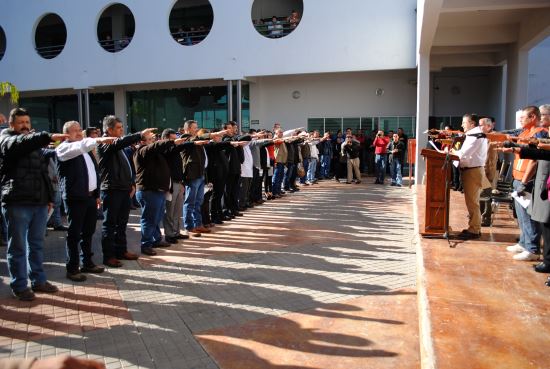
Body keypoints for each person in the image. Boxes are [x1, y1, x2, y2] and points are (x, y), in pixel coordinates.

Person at [0, 107, 68, 301]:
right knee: (18, 247)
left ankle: (38, 280)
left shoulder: (34, 144)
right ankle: (19, 286)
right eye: (21, 123)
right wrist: (46, 136)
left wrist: (48, 199)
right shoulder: (6, 138)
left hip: (38, 203)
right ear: (11, 124)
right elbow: (17, 143)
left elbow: (42, 173)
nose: (25, 126)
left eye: (28, 123)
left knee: (36, 245)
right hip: (17, 202)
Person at [55, 121, 114, 282]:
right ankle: (72, 268)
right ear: (66, 134)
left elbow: (93, 172)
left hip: (89, 197)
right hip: (75, 198)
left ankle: (87, 262)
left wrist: (96, 195)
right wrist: (98, 140)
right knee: (74, 234)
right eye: (75, 131)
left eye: (80, 129)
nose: (79, 133)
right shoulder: (64, 148)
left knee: (88, 232)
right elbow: (78, 147)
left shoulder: (85, 150)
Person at [97, 115, 156, 268]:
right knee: (110, 224)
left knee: (122, 223)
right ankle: (109, 256)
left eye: (122, 127)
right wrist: (139, 135)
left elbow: (124, 165)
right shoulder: (105, 143)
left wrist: (130, 183)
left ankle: (121, 251)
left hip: (123, 189)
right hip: (112, 189)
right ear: (109, 130)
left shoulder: (118, 144)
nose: (121, 130)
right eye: (118, 128)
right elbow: (120, 143)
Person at [134, 129, 192, 256]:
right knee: (149, 219)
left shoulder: (156, 153)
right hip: (149, 191)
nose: (153, 141)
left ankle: (156, 239)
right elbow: (155, 146)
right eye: (149, 140)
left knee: (157, 218)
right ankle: (146, 244)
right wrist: (171, 141)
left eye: (152, 139)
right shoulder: (141, 151)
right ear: (142, 142)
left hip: (159, 191)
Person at [503, 106, 548, 260]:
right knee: (520, 215)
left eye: (523, 117)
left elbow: (533, 160)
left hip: (526, 180)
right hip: (517, 177)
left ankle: (532, 248)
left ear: (533, 117)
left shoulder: (539, 133)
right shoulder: (524, 132)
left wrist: (524, 181)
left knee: (528, 216)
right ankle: (523, 242)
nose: (520, 120)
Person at [451, 114, 487, 240]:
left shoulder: (476, 136)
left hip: (473, 171)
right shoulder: (473, 135)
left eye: (464, 122)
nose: (462, 125)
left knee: (472, 202)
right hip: (470, 170)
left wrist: (451, 152)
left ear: (472, 124)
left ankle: (474, 229)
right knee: (471, 201)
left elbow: (463, 154)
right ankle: (474, 227)